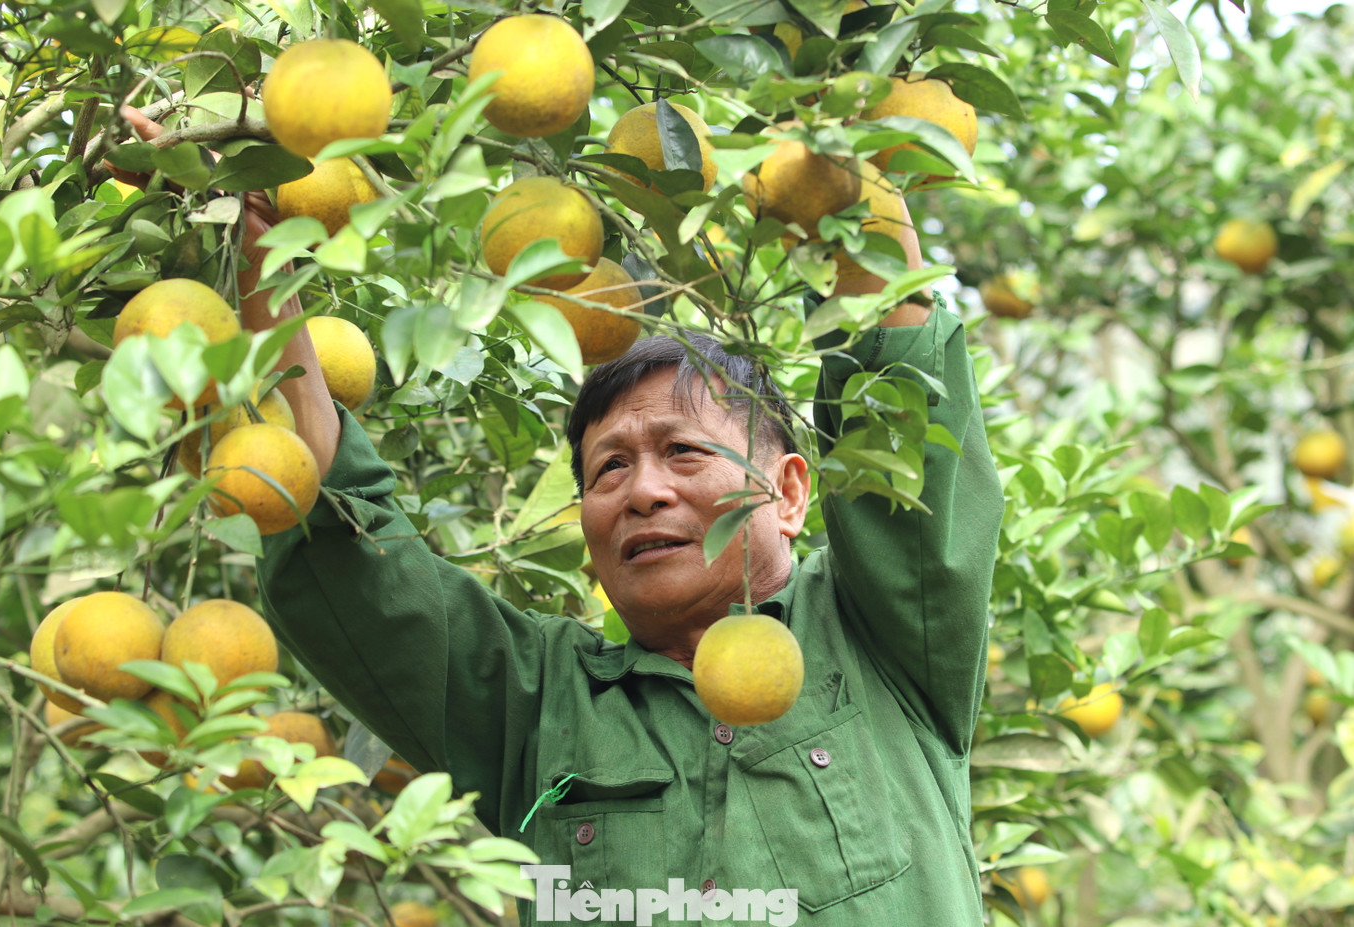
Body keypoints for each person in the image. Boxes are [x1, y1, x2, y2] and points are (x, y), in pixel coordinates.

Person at [114, 108, 1004, 925]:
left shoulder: (876, 638)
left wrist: (831, 121)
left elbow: (900, 390)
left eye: (682, 451)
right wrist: (254, 240)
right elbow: (340, 536)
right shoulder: (540, 703)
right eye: (608, 468)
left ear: (792, 490)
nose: (643, 491)